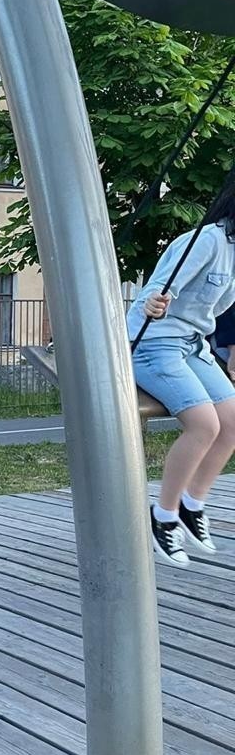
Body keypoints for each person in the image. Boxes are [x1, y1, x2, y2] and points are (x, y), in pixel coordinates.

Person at [127, 180, 235, 565]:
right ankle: (164, 515)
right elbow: (159, 288)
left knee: (232, 422)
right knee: (204, 425)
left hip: (192, 344)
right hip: (154, 342)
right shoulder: (207, 241)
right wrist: (153, 304)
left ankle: (192, 504)